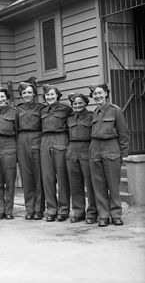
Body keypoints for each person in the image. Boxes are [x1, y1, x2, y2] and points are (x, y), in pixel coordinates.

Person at [89, 84, 130, 227]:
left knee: (113, 184)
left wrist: (124, 154)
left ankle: (116, 214)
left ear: (106, 94)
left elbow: (123, 134)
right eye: (94, 94)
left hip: (111, 147)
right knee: (99, 185)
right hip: (95, 148)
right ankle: (103, 215)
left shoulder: (115, 110)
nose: (97, 96)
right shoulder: (94, 112)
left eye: (100, 93)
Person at [40, 84, 72, 222]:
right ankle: (51, 209)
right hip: (45, 140)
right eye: (47, 95)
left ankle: (63, 209)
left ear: (57, 95)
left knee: (62, 177)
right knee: (47, 177)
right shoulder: (43, 110)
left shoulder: (66, 109)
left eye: (52, 94)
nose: (50, 97)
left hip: (61, 139)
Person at [15, 81, 45, 220]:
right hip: (22, 140)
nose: (27, 95)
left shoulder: (41, 108)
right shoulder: (18, 109)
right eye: (24, 93)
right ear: (21, 95)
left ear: (34, 94)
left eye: (29, 92)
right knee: (26, 177)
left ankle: (39, 209)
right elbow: (15, 128)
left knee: (38, 176)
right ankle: (29, 209)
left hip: (36, 139)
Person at [66, 93, 98, 224]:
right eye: (75, 103)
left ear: (85, 103)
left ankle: (92, 212)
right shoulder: (69, 118)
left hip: (86, 149)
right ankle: (78, 212)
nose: (77, 105)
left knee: (89, 182)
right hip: (72, 150)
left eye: (80, 103)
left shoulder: (91, 116)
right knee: (75, 183)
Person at [0, 87, 18, 220]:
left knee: (10, 179)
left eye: (2, 97)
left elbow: (17, 130)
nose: (0, 99)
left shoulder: (14, 112)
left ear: (7, 98)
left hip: (9, 144)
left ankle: (9, 210)